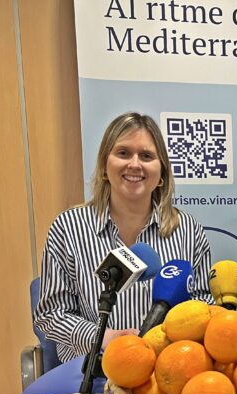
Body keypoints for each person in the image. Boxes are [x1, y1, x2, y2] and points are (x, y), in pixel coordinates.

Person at [34, 112, 214, 363]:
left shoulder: (188, 230)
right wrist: (104, 337)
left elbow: (203, 304)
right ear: (104, 167)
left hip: (166, 368)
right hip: (92, 371)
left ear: (162, 173)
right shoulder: (68, 228)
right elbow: (51, 315)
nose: (135, 164)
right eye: (123, 153)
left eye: (147, 156)